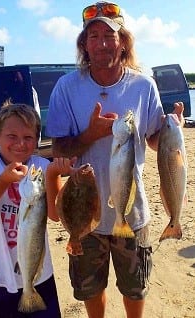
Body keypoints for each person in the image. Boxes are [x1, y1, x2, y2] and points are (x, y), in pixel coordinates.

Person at [45, 2, 184, 318]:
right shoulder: (67, 87)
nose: (102, 43)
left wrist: (170, 129)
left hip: (133, 214)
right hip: (85, 214)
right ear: (84, 44)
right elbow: (60, 151)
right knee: (91, 289)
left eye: (110, 35)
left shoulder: (143, 85)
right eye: (94, 36)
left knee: (135, 288)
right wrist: (91, 134)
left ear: (124, 42)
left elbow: (152, 139)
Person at [0, 102, 73, 318]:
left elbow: (56, 216)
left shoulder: (41, 167)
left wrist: (54, 175)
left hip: (39, 276)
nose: (20, 143)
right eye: (12, 136)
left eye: (28, 137)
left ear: (37, 141)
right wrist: (4, 180)